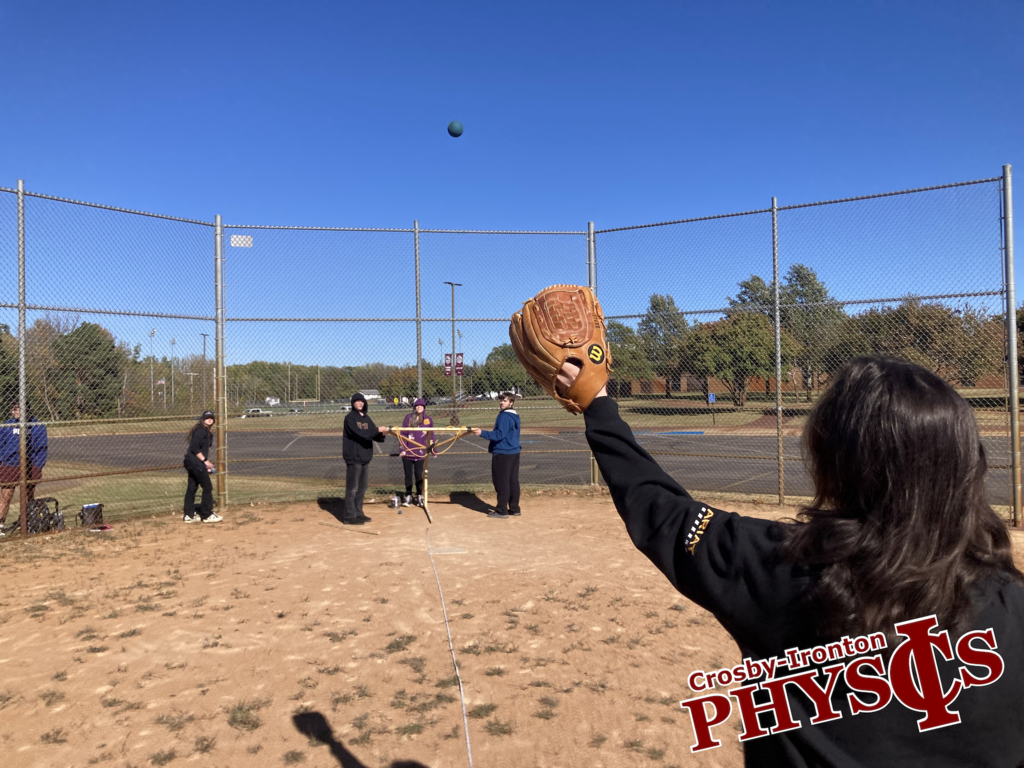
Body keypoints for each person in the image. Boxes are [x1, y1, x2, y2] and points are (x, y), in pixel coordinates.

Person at [553, 355, 1023, 766]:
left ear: (834, 461)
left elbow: (662, 513)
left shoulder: (785, 568)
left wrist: (599, 404)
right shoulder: (1013, 603)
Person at [471, 392, 521, 519]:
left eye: (504, 400)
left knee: (502, 482)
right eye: (501, 400)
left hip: (503, 452)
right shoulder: (515, 416)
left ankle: (502, 510)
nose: (501, 402)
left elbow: (498, 435)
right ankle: (514, 508)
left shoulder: (504, 416)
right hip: (514, 452)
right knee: (512, 481)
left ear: (511, 403)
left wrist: (482, 433)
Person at [0, 402, 48, 535]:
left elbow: (41, 449)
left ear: (27, 410)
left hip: (30, 465)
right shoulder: (6, 426)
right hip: (10, 465)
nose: (15, 412)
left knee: (28, 496)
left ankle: (26, 522)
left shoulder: (38, 427)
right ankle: (0, 524)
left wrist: (38, 466)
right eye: (14, 409)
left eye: (18, 409)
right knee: (6, 496)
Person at [343, 392, 389, 524]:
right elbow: (360, 434)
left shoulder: (366, 418)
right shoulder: (350, 418)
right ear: (353, 403)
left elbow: (373, 433)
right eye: (357, 401)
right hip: (353, 457)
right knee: (352, 488)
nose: (360, 403)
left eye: (362, 401)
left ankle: (358, 512)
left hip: (364, 457)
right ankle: (349, 516)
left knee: (362, 487)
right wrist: (376, 430)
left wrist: (382, 434)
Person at [183, 411, 221, 523]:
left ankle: (189, 515)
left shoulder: (205, 431)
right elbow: (195, 448)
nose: (209, 420)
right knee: (207, 487)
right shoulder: (201, 430)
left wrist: (205, 465)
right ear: (202, 419)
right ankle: (206, 514)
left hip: (192, 462)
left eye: (211, 418)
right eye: (207, 418)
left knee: (192, 487)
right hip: (195, 462)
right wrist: (206, 462)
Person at [398, 398, 434, 507]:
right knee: (408, 475)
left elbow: (430, 436)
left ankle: (419, 496)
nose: (419, 407)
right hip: (408, 453)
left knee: (419, 475)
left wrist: (433, 450)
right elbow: (403, 434)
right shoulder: (408, 418)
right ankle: (408, 495)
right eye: (417, 406)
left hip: (420, 453)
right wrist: (402, 449)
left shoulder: (428, 420)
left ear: (424, 408)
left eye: (421, 406)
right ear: (414, 407)